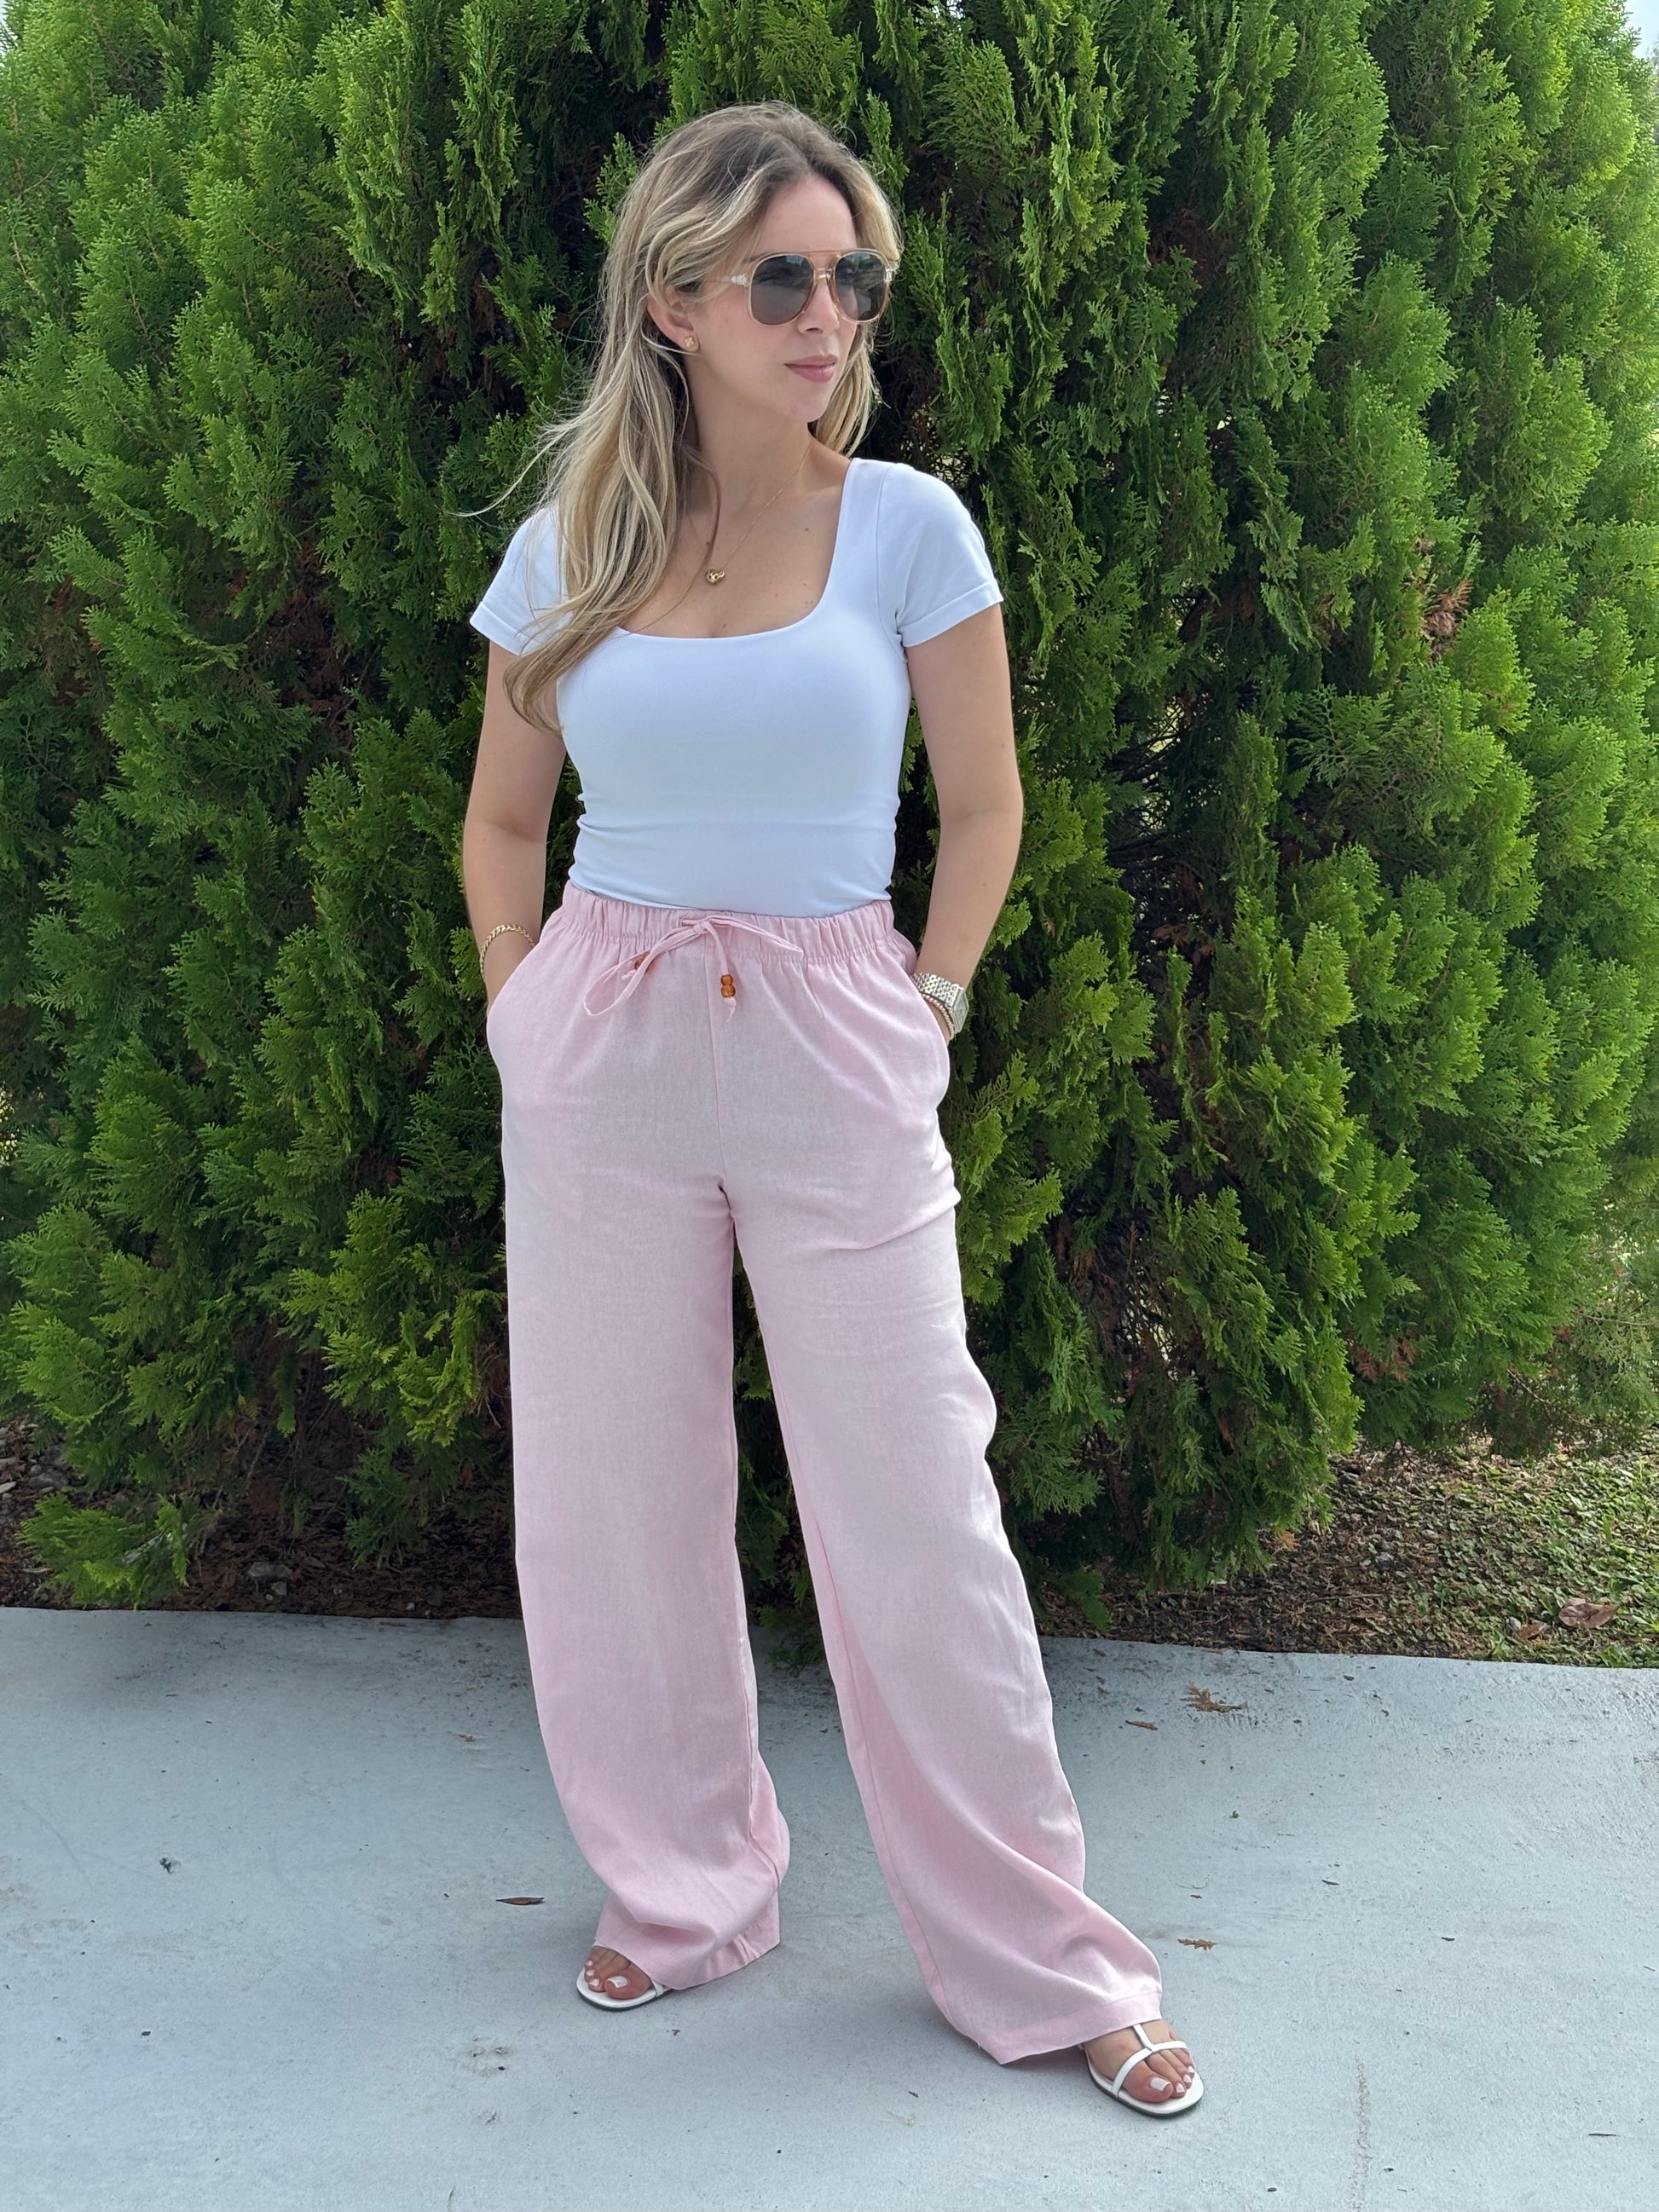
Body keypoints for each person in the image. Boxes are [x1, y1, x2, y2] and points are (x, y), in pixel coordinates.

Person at [460, 98, 1202, 2117]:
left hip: (833, 1042)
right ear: (674, 298)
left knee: (916, 1512)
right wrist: (528, 1018)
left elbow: (987, 802)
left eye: (853, 274)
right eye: (779, 275)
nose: (827, 311)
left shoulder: (906, 526)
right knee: (615, 1500)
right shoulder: (571, 546)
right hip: (604, 1048)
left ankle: (1049, 1959)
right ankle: (685, 1886)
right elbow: (504, 823)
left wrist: (928, 1002)